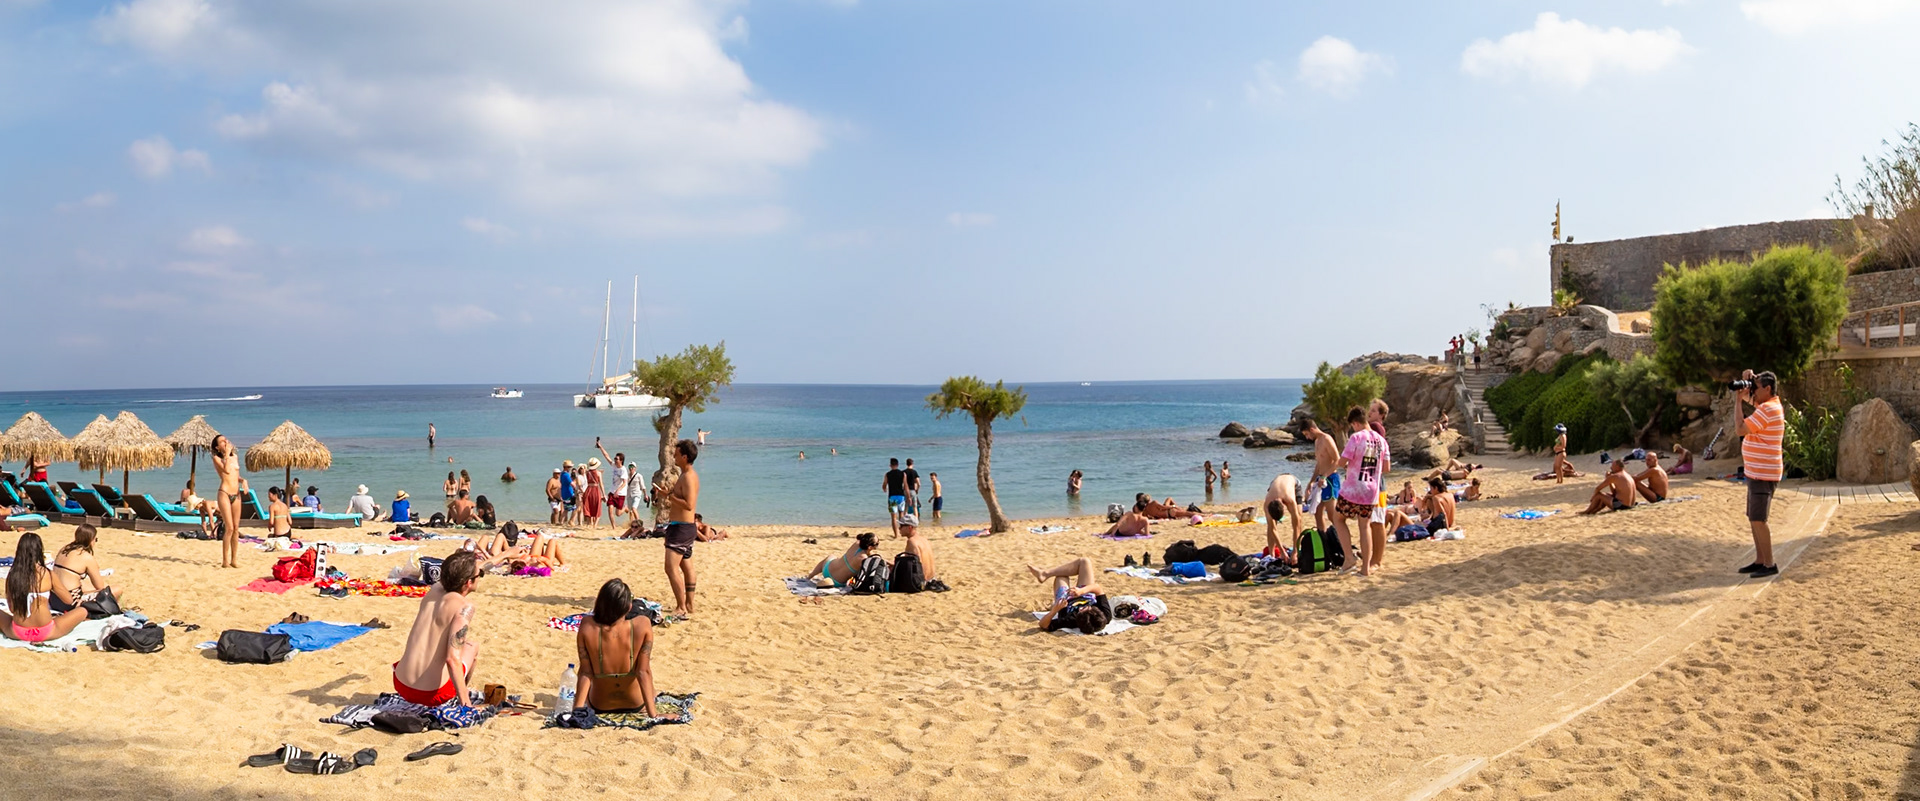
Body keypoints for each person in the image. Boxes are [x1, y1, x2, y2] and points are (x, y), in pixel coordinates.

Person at [394, 550, 481, 708]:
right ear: (468, 582)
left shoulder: (434, 589)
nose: (480, 576)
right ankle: (461, 696)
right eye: (479, 574)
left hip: (400, 684)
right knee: (472, 646)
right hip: (431, 695)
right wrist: (466, 706)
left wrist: (504, 555)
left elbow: (456, 572)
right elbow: (452, 659)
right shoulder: (464, 607)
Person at [573, 578, 662, 718]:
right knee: (654, 690)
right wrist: (654, 716)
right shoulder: (642, 625)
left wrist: (577, 712)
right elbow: (643, 672)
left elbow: (585, 672)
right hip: (636, 704)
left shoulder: (587, 626)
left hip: (600, 704)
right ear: (628, 607)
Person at [1735, 370, 1784, 577]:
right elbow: (1753, 399)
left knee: (1759, 520)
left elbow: (1740, 429)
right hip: (1758, 472)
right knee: (1753, 518)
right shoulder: (1769, 406)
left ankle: (1769, 564)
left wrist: (1737, 402)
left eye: (1756, 387)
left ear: (1768, 389)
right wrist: (1748, 381)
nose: (1753, 391)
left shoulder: (1768, 409)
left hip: (1763, 474)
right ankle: (1760, 560)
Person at [1332, 406, 1390, 577]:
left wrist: (1348, 465)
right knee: (1364, 526)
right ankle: (1365, 569)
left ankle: (1349, 558)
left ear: (1355, 423)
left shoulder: (1356, 437)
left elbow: (1342, 462)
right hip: (1371, 491)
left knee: (1338, 518)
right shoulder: (1381, 441)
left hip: (1353, 489)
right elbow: (1386, 468)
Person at [2, 533, 89, 643]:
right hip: (46, 631)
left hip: (17, 631)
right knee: (82, 611)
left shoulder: (13, 575)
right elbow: (68, 600)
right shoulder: (47, 574)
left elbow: (12, 609)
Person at [653, 440, 702, 618]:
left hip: (682, 528)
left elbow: (689, 505)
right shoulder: (686, 475)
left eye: (676, 453)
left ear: (685, 457)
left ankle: (681, 607)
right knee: (686, 566)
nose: (673, 455)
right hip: (682, 527)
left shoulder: (689, 477)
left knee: (670, 568)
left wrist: (669, 496)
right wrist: (668, 495)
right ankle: (689, 604)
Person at [1027, 557, 1113, 634]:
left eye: (1082, 610)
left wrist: (1054, 610)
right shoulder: (1104, 615)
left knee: (1061, 575)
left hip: (1066, 600)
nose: (1082, 607)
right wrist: (1082, 591)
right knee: (1084, 561)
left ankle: (1044, 574)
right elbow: (1097, 588)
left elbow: (1043, 625)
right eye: (1088, 607)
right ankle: (1045, 573)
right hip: (1086, 593)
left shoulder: (1071, 620)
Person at [49, 523, 119, 614]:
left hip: (54, 598)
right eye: (95, 539)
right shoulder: (87, 557)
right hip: (71, 602)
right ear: (90, 540)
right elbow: (100, 587)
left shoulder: (64, 549)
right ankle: (109, 613)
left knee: (85, 585)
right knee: (117, 590)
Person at [1301, 418, 1340, 535]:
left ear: (1312, 429)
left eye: (1307, 434)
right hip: (1320, 480)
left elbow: (1337, 460)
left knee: (1332, 514)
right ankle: (1323, 540)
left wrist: (1325, 476)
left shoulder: (1327, 439)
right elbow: (1319, 464)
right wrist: (1311, 482)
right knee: (1317, 512)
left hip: (1330, 479)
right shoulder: (1317, 442)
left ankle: (1341, 542)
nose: (1307, 438)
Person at [210, 434, 242, 569]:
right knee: (229, 528)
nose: (226, 442)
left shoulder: (235, 457)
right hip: (224, 493)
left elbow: (235, 475)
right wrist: (227, 455)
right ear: (217, 447)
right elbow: (227, 470)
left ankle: (234, 559)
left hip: (237, 494)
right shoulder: (217, 458)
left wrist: (243, 481)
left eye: (226, 440)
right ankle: (225, 560)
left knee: (236, 528)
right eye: (222, 442)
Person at [808, 532, 879, 589]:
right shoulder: (864, 559)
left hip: (826, 569)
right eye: (877, 544)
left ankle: (810, 576)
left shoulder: (856, 543)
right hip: (837, 582)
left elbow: (869, 552)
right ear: (870, 547)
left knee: (831, 556)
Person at [1263, 473, 1304, 558]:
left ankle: (1298, 549)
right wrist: (1282, 551)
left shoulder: (1290, 500)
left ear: (1285, 507)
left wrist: (1295, 552)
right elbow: (1272, 529)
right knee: (1271, 525)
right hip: (1275, 482)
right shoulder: (1267, 503)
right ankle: (1271, 554)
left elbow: (1296, 526)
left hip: (1293, 482)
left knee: (1298, 519)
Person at [897, 512, 938, 582]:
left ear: (910, 527)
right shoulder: (924, 539)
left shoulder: (911, 542)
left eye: (901, 526)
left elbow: (913, 566)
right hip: (932, 578)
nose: (899, 528)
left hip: (922, 581)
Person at [883, 458, 908, 536]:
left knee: (893, 517)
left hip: (892, 497)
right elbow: (905, 486)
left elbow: (884, 485)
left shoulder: (887, 474)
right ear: (898, 465)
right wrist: (909, 497)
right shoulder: (903, 474)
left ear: (890, 465)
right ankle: (902, 532)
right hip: (901, 496)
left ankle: (896, 535)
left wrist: (885, 489)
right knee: (901, 515)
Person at [583, 458, 605, 528]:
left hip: (588, 489)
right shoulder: (598, 473)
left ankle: (590, 523)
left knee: (588, 506)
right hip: (595, 489)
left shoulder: (587, 473)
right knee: (597, 506)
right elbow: (601, 484)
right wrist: (604, 494)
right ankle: (595, 525)